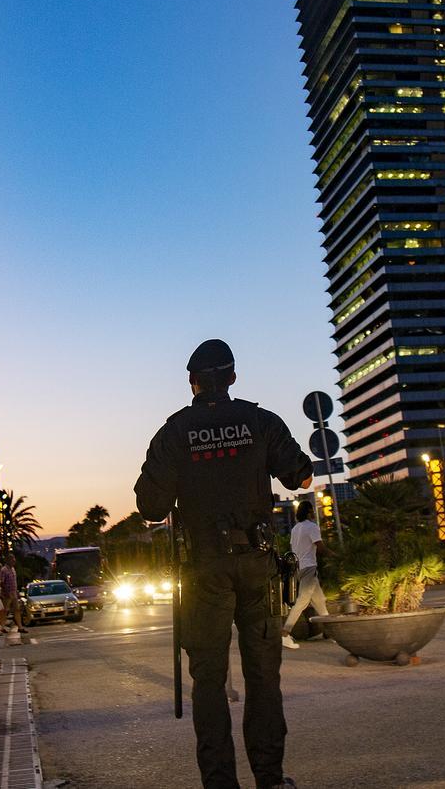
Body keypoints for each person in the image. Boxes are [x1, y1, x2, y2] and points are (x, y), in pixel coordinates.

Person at [134, 338, 313, 789]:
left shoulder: (175, 431)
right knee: (263, 677)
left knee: (209, 681)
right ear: (232, 378)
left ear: (193, 383)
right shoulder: (260, 420)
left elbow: (150, 506)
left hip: (203, 569)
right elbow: (301, 474)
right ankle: (270, 779)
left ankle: (219, 783)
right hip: (257, 564)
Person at [280, 499, 329, 650]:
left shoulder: (295, 529)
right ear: (309, 512)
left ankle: (330, 633)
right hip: (309, 567)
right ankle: (285, 633)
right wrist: (337, 555)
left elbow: (293, 549)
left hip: (299, 568)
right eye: (312, 510)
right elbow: (320, 547)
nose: (314, 512)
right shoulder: (312, 527)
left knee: (319, 601)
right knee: (302, 601)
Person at [0, 555, 24, 635]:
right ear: (8, 560)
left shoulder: (12, 569)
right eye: (12, 560)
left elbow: (14, 582)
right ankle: (2, 627)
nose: (14, 561)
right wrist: (6, 592)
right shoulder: (4, 570)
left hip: (13, 592)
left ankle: (20, 627)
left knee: (17, 609)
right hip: (7, 593)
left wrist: (16, 592)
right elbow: (1, 582)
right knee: (5, 610)